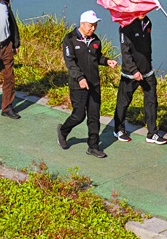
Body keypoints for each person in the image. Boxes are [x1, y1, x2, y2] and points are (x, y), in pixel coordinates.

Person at [58, 10, 116, 159]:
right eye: (90, 25)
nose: (93, 28)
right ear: (82, 24)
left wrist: (107, 61)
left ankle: (93, 146)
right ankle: (63, 131)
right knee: (78, 116)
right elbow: (70, 63)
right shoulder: (70, 39)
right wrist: (80, 78)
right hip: (78, 85)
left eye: (95, 25)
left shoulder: (95, 40)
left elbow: (97, 58)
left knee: (94, 116)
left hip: (94, 84)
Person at [114, 11, 161, 143]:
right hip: (130, 73)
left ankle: (152, 133)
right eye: (139, 10)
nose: (142, 12)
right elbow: (125, 52)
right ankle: (119, 129)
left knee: (152, 102)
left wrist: (148, 64)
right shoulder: (125, 26)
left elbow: (147, 46)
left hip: (147, 71)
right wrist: (134, 70)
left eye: (145, 10)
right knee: (123, 102)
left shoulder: (147, 22)